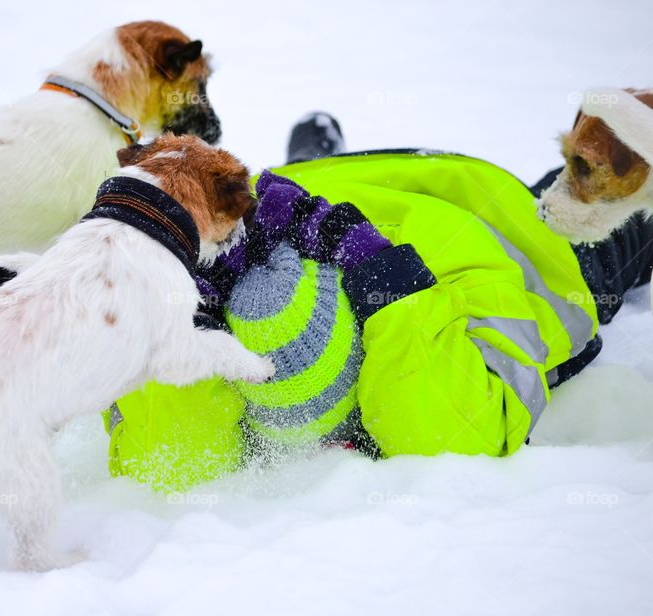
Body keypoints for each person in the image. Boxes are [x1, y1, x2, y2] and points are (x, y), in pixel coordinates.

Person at [105, 112, 653, 491]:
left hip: (500, 220)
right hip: (324, 186)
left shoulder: (464, 302)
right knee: (304, 193)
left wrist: (396, 296)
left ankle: (318, 152)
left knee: (612, 233)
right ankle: (316, 154)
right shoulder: (230, 275)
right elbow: (172, 463)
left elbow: (451, 438)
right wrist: (182, 320)